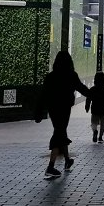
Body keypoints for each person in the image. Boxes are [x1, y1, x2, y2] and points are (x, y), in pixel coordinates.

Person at [35, 51, 89, 179]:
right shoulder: (71, 75)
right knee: (59, 133)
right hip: (65, 108)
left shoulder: (50, 77)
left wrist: (38, 112)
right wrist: (94, 95)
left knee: (60, 131)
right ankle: (50, 167)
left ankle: (67, 160)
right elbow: (81, 88)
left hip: (53, 108)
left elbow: (43, 95)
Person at [85, 71, 104, 143]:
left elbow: (88, 98)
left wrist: (87, 106)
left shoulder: (92, 89)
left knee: (94, 122)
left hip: (95, 109)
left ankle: (95, 131)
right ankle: (100, 137)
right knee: (103, 124)